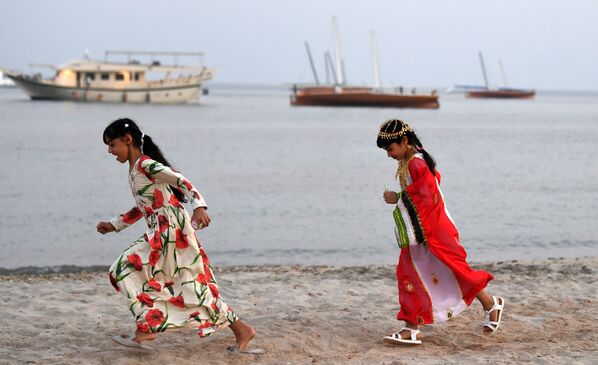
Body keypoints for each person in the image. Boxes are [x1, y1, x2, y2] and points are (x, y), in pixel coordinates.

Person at [96, 118, 260, 353]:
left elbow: (182, 181)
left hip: (172, 231)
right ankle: (241, 330)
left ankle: (147, 330)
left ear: (128, 140)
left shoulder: (146, 165)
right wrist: (114, 225)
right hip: (160, 232)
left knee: (122, 270)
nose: (110, 151)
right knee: (188, 285)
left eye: (112, 144)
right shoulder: (135, 170)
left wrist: (200, 207)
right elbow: (144, 207)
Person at [377, 119, 505, 345]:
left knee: (455, 271)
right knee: (413, 274)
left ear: (404, 141)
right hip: (426, 228)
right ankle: (412, 327)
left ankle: (490, 303)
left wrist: (397, 198)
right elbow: (435, 181)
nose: (388, 155)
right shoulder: (416, 158)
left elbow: (426, 192)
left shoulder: (416, 162)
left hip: (433, 230)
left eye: (390, 149)